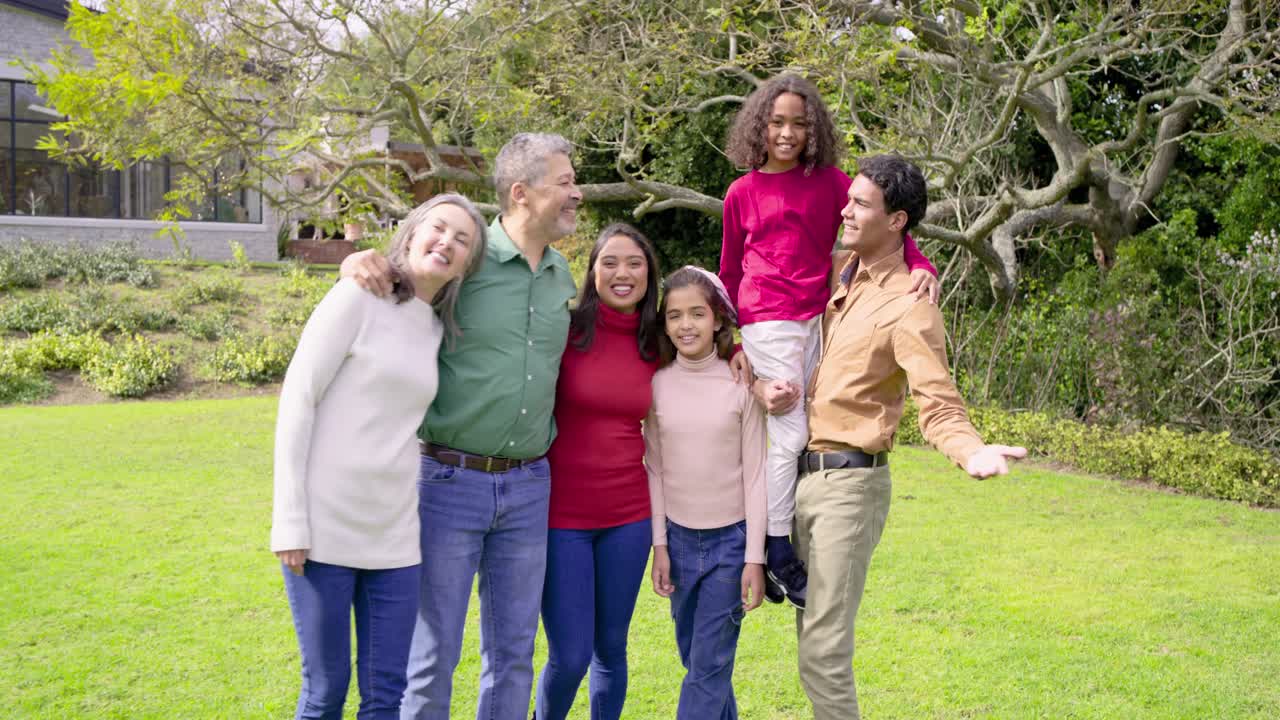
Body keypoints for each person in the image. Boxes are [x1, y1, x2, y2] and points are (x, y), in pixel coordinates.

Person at [338, 133, 581, 720]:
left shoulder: (562, 278)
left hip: (529, 487)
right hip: (448, 483)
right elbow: (398, 284)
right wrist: (357, 259)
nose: (578, 193)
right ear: (521, 194)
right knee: (434, 653)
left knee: (514, 654)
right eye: (566, 183)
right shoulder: (463, 263)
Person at [783, 154, 1027, 719]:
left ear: (896, 220)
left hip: (849, 488)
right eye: (849, 199)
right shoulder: (841, 272)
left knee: (823, 652)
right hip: (798, 478)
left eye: (861, 205)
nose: (846, 210)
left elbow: (936, 400)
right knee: (805, 638)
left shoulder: (911, 306)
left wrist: (971, 450)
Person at [719, 74, 940, 607]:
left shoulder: (832, 183)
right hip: (766, 318)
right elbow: (727, 273)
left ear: (813, 128)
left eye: (799, 123)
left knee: (811, 425)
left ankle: (795, 530)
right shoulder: (741, 192)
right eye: (776, 122)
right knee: (792, 434)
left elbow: (887, 224)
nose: (787, 133)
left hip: (816, 316)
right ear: (760, 126)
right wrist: (733, 346)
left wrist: (923, 264)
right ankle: (775, 550)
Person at [271, 193, 488, 720]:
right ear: (412, 232)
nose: (447, 243)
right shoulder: (355, 297)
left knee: (386, 694)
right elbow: (298, 400)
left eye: (463, 241)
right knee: (324, 692)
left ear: (467, 265)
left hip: (395, 537)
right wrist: (290, 520)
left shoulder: (436, 328)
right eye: (439, 228)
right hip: (324, 528)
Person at [532, 223, 662, 720]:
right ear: (592, 271)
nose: (622, 273)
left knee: (612, 647)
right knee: (569, 655)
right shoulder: (564, 330)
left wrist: (737, 354)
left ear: (650, 274)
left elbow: (709, 338)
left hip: (629, 517)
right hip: (561, 517)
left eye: (635, 263)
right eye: (610, 262)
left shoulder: (659, 342)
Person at [645, 266, 768, 720]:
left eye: (697, 313)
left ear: (718, 319)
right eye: (674, 316)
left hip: (730, 544)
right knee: (697, 660)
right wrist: (660, 546)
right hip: (678, 541)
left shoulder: (740, 385)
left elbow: (756, 475)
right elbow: (654, 469)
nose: (686, 325)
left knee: (709, 664)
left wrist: (754, 556)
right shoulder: (656, 386)